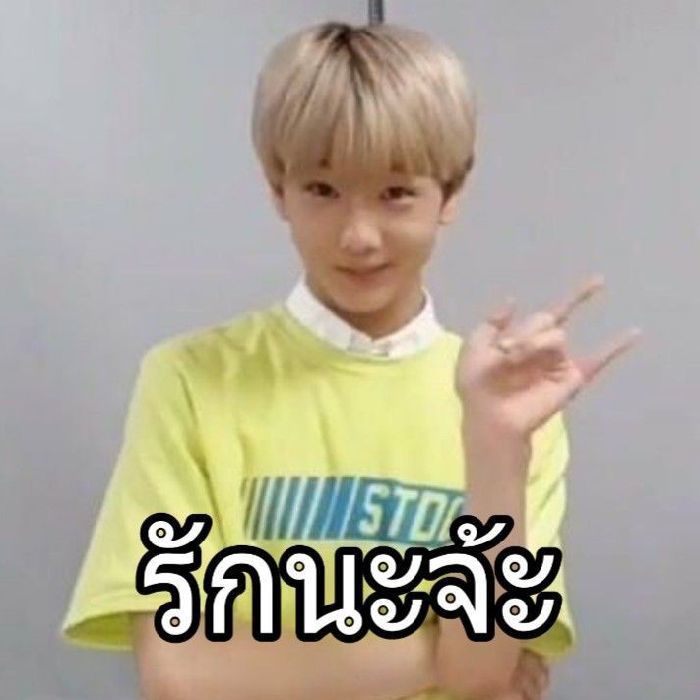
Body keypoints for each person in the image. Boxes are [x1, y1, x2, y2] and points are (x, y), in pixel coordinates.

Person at [59, 20, 640, 700]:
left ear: (451, 193)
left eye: (396, 193)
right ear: (278, 187)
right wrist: (434, 649)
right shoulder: (189, 380)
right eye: (323, 190)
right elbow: (179, 675)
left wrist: (492, 443)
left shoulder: (511, 409)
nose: (359, 236)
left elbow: (482, 678)